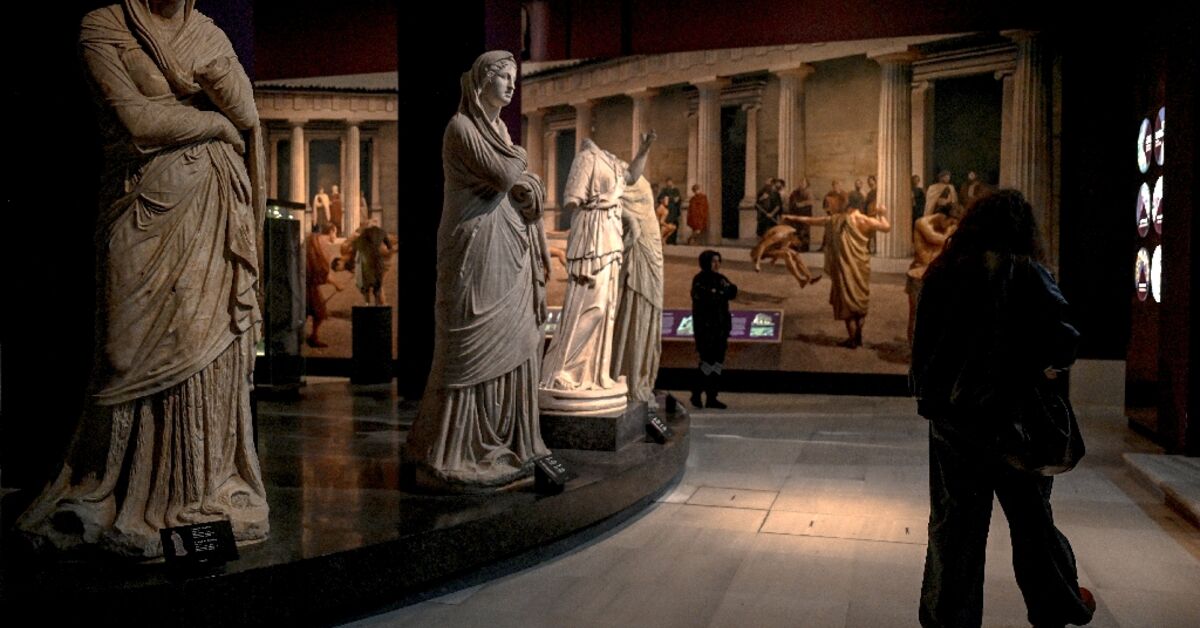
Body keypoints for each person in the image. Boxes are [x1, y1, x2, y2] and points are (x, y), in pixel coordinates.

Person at [16, 0, 269, 556]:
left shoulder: (207, 32)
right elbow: (136, 121)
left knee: (206, 345)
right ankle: (114, 490)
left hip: (211, 205)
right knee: (124, 352)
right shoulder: (105, 26)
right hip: (140, 207)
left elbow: (249, 115)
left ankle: (198, 487)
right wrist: (214, 123)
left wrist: (225, 104)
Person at [911, 189, 1096, 628]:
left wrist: (933, 403)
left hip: (955, 421)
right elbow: (1065, 340)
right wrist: (1037, 368)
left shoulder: (944, 271)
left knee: (955, 528)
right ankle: (1055, 604)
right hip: (1016, 419)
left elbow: (923, 350)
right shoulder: (1027, 271)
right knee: (1032, 522)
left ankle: (949, 618)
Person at [403, 51, 552, 490]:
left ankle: (508, 438)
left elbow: (517, 183)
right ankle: (457, 447)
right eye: (504, 78)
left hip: (507, 245)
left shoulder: (501, 131)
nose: (511, 86)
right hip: (473, 246)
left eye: (514, 79)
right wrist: (522, 163)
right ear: (483, 80)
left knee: (516, 338)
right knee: (469, 345)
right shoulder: (461, 128)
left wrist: (524, 178)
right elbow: (506, 177)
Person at [540, 131, 656, 404]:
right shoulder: (586, 158)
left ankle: (593, 373)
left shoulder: (611, 161)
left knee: (606, 307)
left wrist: (644, 149)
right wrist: (605, 204)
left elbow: (631, 177)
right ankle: (564, 369)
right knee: (590, 306)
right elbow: (572, 199)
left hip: (609, 236)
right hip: (593, 236)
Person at [786, 198, 891, 348]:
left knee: (847, 303)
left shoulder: (837, 220)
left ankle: (852, 340)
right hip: (861, 266)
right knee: (860, 302)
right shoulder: (867, 221)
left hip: (845, 267)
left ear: (848, 208)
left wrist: (791, 217)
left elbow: (811, 221)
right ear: (860, 207)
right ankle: (858, 337)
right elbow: (886, 227)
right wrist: (882, 214)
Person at [611, 176, 663, 403]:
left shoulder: (641, 186)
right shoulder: (618, 182)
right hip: (637, 254)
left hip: (650, 249)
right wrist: (631, 220)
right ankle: (626, 373)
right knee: (632, 308)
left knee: (646, 309)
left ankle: (638, 375)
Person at [906, 203, 959, 344]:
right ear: (943, 216)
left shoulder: (944, 228)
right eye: (950, 222)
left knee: (935, 315)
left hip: (935, 276)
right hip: (919, 275)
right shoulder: (922, 223)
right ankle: (914, 349)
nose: (950, 226)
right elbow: (936, 239)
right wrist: (951, 231)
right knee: (916, 314)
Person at [690, 250, 737, 409]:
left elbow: (732, 291)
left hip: (721, 329)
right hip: (706, 330)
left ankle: (712, 396)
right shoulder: (700, 279)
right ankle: (697, 392)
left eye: (718, 261)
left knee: (717, 363)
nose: (717, 264)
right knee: (707, 362)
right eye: (713, 261)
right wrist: (719, 293)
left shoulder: (720, 278)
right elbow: (706, 298)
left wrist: (720, 292)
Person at [750, 224, 821, 289]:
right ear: (795, 236)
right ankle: (800, 280)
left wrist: (775, 258)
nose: (796, 244)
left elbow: (782, 247)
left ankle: (809, 278)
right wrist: (757, 263)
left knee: (796, 254)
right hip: (758, 252)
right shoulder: (779, 235)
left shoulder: (792, 232)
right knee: (786, 254)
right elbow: (762, 246)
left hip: (773, 249)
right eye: (797, 242)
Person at [305, 223, 340, 347]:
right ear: (330, 232)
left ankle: (310, 336)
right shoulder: (320, 244)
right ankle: (312, 337)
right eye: (335, 233)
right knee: (319, 311)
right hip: (308, 284)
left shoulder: (314, 240)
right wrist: (336, 284)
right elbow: (320, 269)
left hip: (306, 282)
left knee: (310, 310)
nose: (335, 236)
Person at [352, 221, 396, 305]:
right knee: (378, 286)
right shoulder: (382, 232)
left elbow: (356, 245)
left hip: (367, 261)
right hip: (378, 261)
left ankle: (367, 304)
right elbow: (390, 246)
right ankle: (378, 305)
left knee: (366, 286)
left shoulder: (365, 232)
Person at [784, 177, 815, 251]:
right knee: (796, 231)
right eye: (800, 182)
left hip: (805, 215)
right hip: (796, 214)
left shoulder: (808, 192)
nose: (801, 184)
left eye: (803, 183)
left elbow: (811, 202)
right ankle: (796, 246)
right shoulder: (795, 192)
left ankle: (804, 247)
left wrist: (801, 204)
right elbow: (791, 201)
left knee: (804, 231)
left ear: (806, 184)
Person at [659, 177, 682, 244]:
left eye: (670, 182)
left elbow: (677, 199)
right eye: (667, 182)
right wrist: (667, 200)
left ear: (672, 182)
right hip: (666, 210)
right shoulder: (664, 190)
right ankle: (664, 240)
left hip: (674, 211)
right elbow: (660, 199)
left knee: (674, 225)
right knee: (665, 225)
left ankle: (673, 241)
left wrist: (668, 199)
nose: (668, 183)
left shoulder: (676, 190)